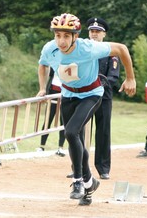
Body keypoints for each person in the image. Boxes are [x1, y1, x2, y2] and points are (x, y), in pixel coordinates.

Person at [37, 13, 136, 206]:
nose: (61, 41)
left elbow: (121, 49)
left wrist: (130, 78)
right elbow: (42, 66)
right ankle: (90, 184)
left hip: (91, 94)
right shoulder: (50, 49)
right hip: (69, 94)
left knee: (70, 132)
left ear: (75, 36)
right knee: (76, 141)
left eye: (66, 36)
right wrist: (42, 87)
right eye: (57, 35)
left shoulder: (88, 47)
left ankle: (78, 181)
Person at [86, 17, 119, 179]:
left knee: (103, 132)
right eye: (92, 31)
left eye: (98, 32)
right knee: (81, 132)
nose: (94, 34)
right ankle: (79, 167)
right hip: (84, 96)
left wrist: (98, 83)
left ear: (104, 34)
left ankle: (103, 168)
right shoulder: (82, 50)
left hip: (103, 97)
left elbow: (113, 77)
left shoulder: (111, 52)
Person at [36, 67, 66, 156]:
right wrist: (43, 89)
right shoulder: (54, 63)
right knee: (48, 119)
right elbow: (46, 72)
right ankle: (42, 146)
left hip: (65, 93)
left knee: (63, 121)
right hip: (53, 92)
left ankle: (60, 147)